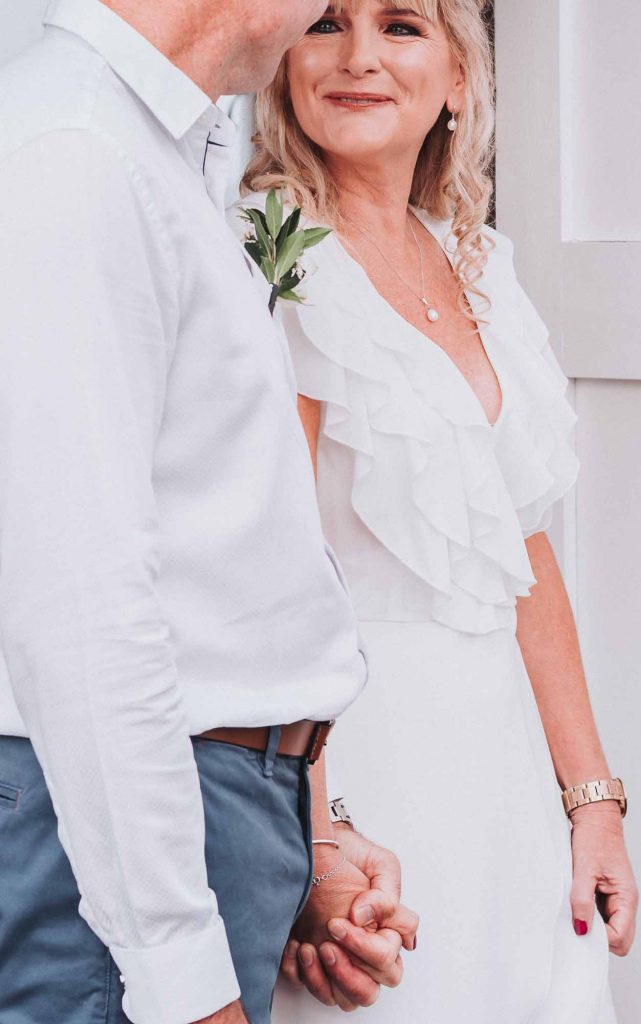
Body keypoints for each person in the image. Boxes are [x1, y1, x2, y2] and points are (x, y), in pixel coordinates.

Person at [0, 2, 418, 1024]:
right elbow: (78, 603)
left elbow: (209, 544)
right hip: (102, 841)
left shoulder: (157, 149)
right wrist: (178, 971)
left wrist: (292, 824)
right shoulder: (77, 152)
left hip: (195, 806)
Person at [233, 0, 639, 1019]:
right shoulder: (260, 258)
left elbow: (526, 551)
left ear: (460, 77)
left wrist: (591, 804)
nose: (358, 56)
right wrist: (311, 838)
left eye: (401, 25)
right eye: (324, 23)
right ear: (284, 60)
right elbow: (261, 575)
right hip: (352, 759)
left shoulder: (481, 269)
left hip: (497, 763)